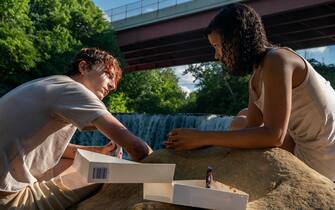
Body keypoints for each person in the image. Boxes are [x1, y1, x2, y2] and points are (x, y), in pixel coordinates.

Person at [165, 3, 335, 181]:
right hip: (305, 143)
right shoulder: (258, 74)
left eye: (217, 46)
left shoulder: (277, 60)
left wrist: (202, 138)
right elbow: (252, 126)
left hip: (322, 158)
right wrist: (198, 142)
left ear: (236, 41)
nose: (216, 55)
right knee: (243, 116)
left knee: (238, 124)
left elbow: (273, 136)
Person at [0, 48, 152, 209]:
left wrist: (97, 151)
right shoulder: (75, 91)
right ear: (84, 67)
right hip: (9, 200)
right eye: (108, 75)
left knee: (81, 161)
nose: (113, 86)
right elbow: (137, 148)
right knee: (108, 168)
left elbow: (40, 145)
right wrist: (159, 168)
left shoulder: (49, 84)